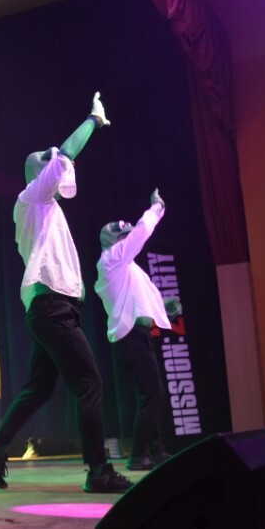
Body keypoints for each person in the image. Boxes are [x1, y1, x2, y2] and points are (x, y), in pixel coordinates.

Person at [0, 93, 133, 494]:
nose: (56, 163)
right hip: (52, 308)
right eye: (47, 161)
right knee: (89, 383)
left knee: (40, 387)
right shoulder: (31, 198)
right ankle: (98, 470)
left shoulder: (46, 208)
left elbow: (64, 164)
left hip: (50, 309)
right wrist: (93, 120)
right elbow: (65, 154)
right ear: (37, 173)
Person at [94, 189, 181, 471]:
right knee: (152, 394)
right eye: (124, 237)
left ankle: (154, 450)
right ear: (115, 241)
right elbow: (141, 233)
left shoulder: (126, 267)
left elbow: (143, 295)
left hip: (137, 335)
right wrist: (156, 208)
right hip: (130, 336)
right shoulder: (112, 259)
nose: (128, 240)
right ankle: (139, 454)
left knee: (152, 394)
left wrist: (164, 305)